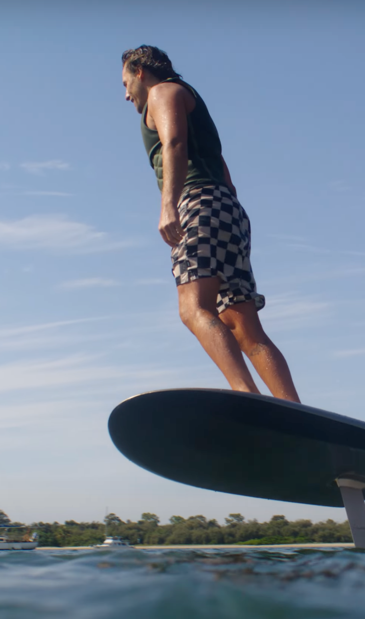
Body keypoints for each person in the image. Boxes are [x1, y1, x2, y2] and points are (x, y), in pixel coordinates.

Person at [120, 45, 300, 403]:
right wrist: (226, 210)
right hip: (226, 208)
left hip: (198, 204)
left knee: (192, 308)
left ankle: (244, 394)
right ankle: (294, 411)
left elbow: (173, 142)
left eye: (126, 83)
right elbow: (222, 168)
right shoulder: (191, 98)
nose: (126, 95)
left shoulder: (163, 91)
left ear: (141, 72)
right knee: (245, 327)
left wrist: (169, 205)